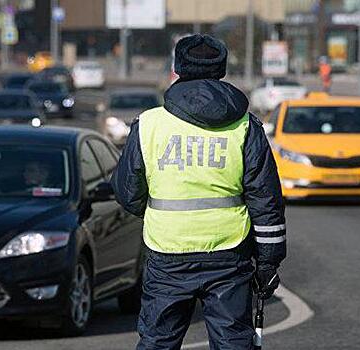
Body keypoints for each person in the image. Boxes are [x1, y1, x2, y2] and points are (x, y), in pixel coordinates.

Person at [110, 34, 286, 350]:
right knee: (233, 342)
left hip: (167, 252)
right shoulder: (246, 126)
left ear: (177, 68)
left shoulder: (149, 124)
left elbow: (127, 191)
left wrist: (155, 213)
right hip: (228, 253)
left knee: (158, 342)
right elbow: (266, 197)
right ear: (221, 69)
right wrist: (269, 260)